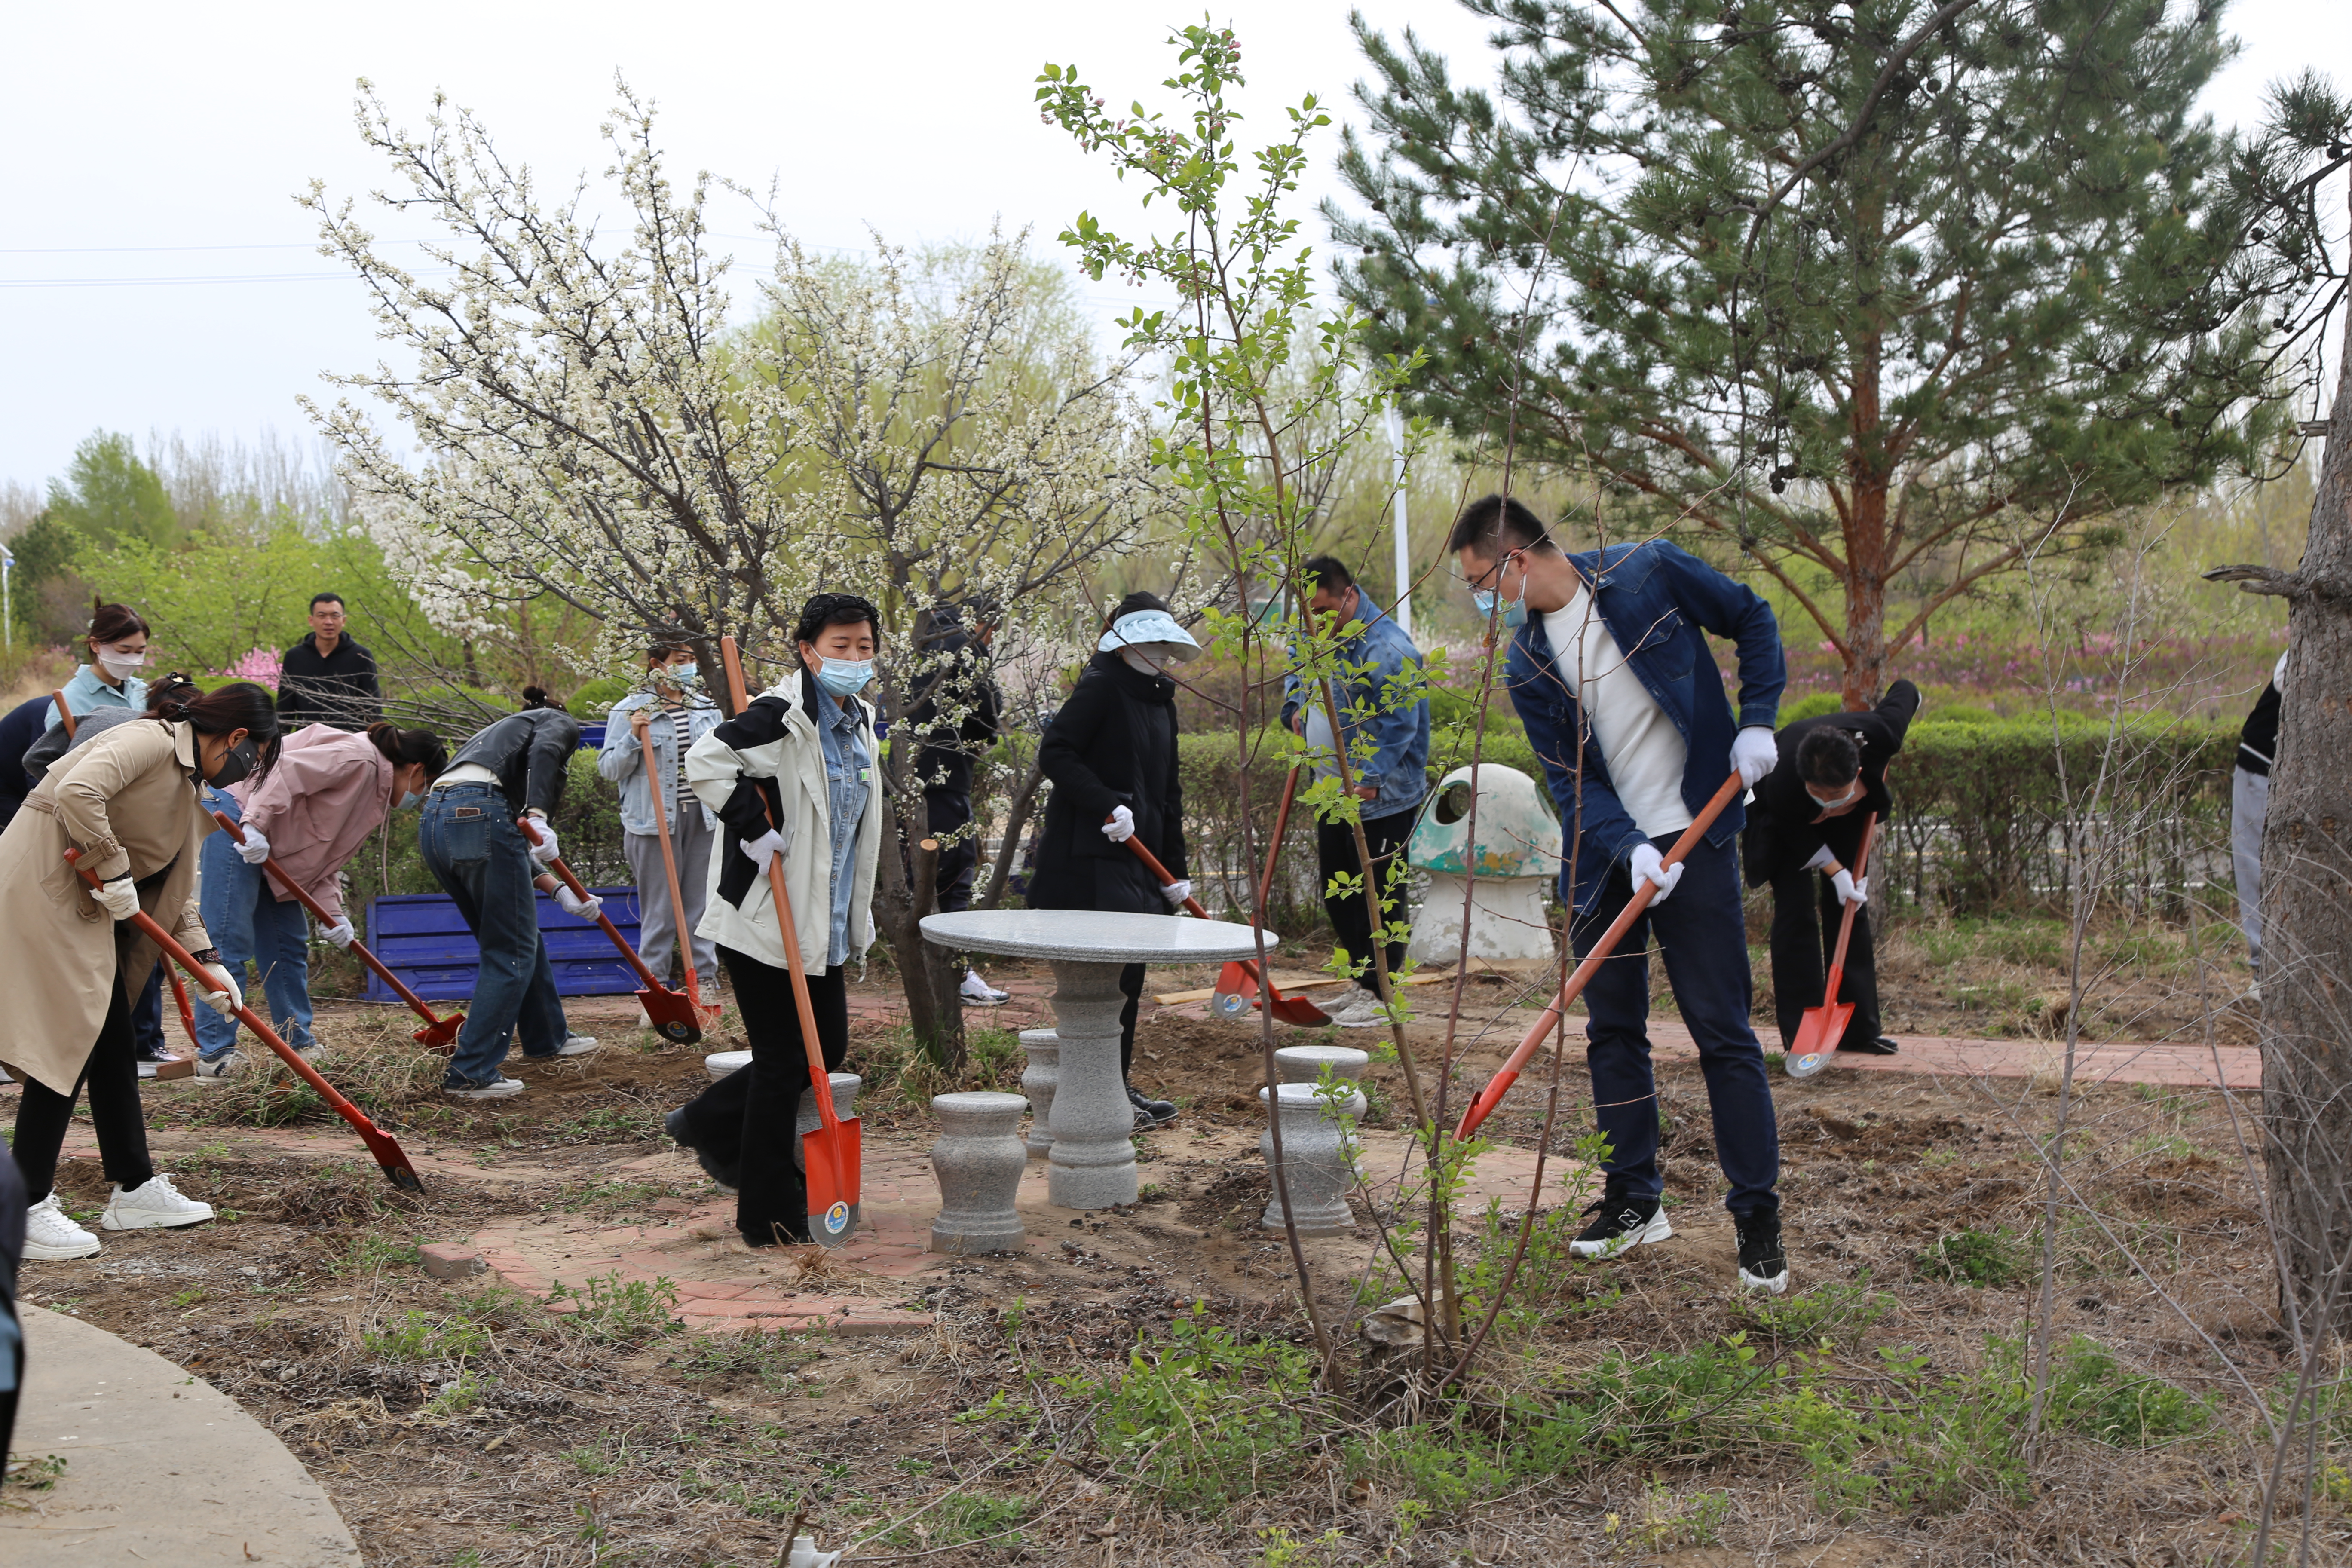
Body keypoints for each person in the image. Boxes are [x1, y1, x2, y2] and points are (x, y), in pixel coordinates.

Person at [1450, 495, 1791, 1292]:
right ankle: (1635, 1200)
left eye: (1478, 579)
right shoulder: (1528, 662)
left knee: (1722, 1032)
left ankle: (1757, 1219)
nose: (1481, 596)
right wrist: (1629, 845)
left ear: (1516, 560)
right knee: (1613, 1031)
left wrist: (1759, 720)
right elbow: (1570, 782)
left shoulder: (1647, 573)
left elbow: (1753, 617)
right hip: (1609, 856)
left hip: (1698, 835)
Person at [0, 681, 283, 1262]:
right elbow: (78, 790)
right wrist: (114, 866)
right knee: (70, 1038)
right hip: (44, 893)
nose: (243, 771)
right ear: (235, 738)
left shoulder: (188, 784)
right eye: (250, 757)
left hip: (81, 907)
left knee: (109, 1042)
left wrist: (209, 965)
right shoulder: (148, 741)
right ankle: (24, 1204)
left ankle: (133, 1187)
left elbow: (178, 888)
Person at [665, 593, 885, 1244]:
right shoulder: (780, 716)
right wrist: (752, 826)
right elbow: (706, 760)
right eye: (840, 647)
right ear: (808, 649)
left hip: (824, 920)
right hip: (764, 915)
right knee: (785, 1058)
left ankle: (706, 1123)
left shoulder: (862, 718)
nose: (853, 659)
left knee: (828, 1046)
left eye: (864, 647)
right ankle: (765, 1212)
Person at [1027, 592, 1200, 1128]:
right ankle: (1098, 1093)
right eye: (1146, 642)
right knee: (1104, 985)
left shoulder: (1161, 701)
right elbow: (1056, 750)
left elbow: (1168, 791)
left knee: (1132, 982)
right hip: (1093, 862)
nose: (1156, 653)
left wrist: (1176, 868)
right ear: (1123, 643)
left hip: (1144, 865)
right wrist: (1106, 804)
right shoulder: (1100, 688)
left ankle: (1116, 1085)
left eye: (1162, 645)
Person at [193, 720, 450, 1077]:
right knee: (228, 936)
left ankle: (297, 1043)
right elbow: (283, 770)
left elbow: (322, 853)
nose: (419, 797)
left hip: (267, 837)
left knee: (288, 945)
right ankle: (215, 1054)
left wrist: (334, 914)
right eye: (424, 787)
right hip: (237, 813)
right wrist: (254, 824)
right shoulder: (359, 759)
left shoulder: (374, 791)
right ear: (417, 768)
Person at [418, 688, 600, 1098]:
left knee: (514, 937)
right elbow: (544, 756)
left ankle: (548, 1036)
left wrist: (557, 891)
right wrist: (539, 813)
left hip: (435, 821)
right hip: (478, 818)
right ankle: (471, 1073)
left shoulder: (492, 739)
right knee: (511, 949)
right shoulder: (555, 719)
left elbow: (492, 833)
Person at [1280, 557, 1431, 1029]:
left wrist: (1369, 778)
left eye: (1324, 611)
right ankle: (1364, 984)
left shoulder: (1387, 648)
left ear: (1348, 596)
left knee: (1379, 895)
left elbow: (1399, 723)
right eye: (1309, 615)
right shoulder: (1311, 632)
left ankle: (1385, 993)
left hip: (1378, 797)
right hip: (1328, 791)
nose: (1316, 624)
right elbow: (1295, 672)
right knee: (1338, 893)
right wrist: (1293, 709)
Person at [1744, 681, 1921, 1058]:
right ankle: (1802, 1034)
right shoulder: (1783, 779)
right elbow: (1791, 829)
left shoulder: (1883, 734)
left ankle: (1859, 1030)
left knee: (1850, 909)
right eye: (1818, 797)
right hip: (1785, 824)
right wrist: (1835, 871)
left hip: (1850, 815)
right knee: (1796, 912)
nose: (1826, 807)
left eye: (1835, 798)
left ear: (1859, 771)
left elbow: (1906, 691)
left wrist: (1847, 877)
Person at [45, 601, 171, 1072]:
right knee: (95, 947)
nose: (134, 660)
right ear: (96, 646)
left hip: (139, 834)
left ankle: (144, 1041)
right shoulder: (73, 700)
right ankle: (84, 1044)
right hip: (91, 836)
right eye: (125, 650)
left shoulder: (144, 694)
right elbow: (65, 780)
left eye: (141, 651)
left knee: (146, 938)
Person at [599, 642, 722, 998]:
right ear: (657, 665)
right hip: (652, 823)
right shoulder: (631, 708)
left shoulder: (703, 706)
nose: (688, 668)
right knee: (660, 911)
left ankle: (704, 982)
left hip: (702, 819)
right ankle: (654, 988)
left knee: (699, 908)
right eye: (680, 662)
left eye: (692, 661)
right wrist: (633, 738)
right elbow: (610, 769)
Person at [908, 599, 1009, 1005]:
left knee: (926, 879)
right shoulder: (965, 647)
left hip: (913, 779)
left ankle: (935, 973)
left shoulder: (921, 644)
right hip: (947, 779)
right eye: (992, 629)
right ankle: (955, 974)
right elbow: (989, 708)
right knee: (954, 876)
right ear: (982, 622)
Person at [2232, 650, 2286, 994]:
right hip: (2262, 767)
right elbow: (2287, 680)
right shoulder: (2310, 647)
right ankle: (2265, 970)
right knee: (2258, 866)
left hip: (2319, 776)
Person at [276, 592, 382, 731]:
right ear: (311, 620)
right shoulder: (295, 656)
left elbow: (373, 710)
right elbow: (285, 710)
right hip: (306, 743)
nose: (329, 622)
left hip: (350, 742)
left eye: (335, 616)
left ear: (343, 620)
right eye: (322, 616)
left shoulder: (361, 656)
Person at [0, 694, 58, 832]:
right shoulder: (48, 715)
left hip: (16, 782)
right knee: (29, 835)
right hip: (5, 789)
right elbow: (37, 774)